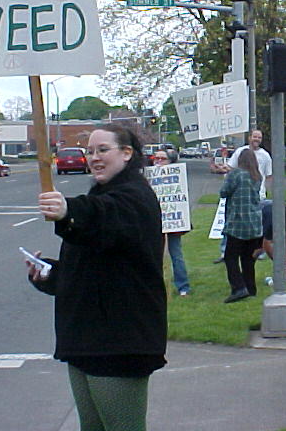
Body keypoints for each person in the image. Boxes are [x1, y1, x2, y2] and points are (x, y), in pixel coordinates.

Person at [25, 124, 167, 431]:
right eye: (90, 151)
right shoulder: (105, 194)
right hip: (86, 343)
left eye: (103, 150)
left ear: (127, 153)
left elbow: (103, 217)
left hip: (118, 345)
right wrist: (49, 274)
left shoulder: (134, 197)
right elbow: (94, 266)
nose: (94, 158)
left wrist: (67, 210)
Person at [213, 130, 273, 263]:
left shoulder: (265, 156)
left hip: (258, 195)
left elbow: (268, 175)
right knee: (233, 223)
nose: (257, 139)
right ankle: (225, 252)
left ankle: (258, 250)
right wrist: (219, 169)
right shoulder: (241, 151)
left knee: (257, 224)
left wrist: (263, 190)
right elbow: (230, 167)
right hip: (238, 197)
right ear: (249, 137)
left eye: (259, 137)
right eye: (255, 136)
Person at [220, 148, 263, 303]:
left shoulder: (236, 174)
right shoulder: (257, 176)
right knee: (248, 258)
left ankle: (238, 288)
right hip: (254, 222)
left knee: (230, 257)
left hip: (238, 221)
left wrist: (226, 177)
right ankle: (251, 288)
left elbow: (223, 192)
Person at [153, 148, 191, 297]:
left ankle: (183, 286)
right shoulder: (149, 175)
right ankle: (156, 287)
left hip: (173, 222)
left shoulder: (177, 175)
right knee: (155, 255)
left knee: (176, 254)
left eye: (162, 159)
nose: (158, 162)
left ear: (170, 161)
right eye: (156, 158)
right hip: (156, 222)